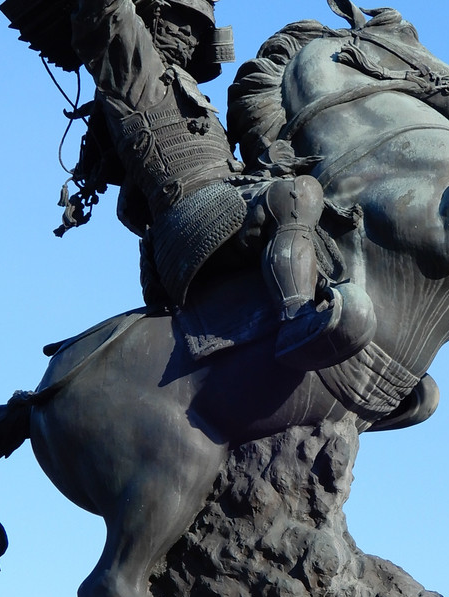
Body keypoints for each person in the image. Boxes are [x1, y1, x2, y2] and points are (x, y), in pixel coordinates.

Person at [67, 0, 371, 368]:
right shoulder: (134, 77)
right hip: (185, 218)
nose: (188, 34)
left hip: (220, 201)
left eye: (196, 29)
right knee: (297, 193)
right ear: (149, 22)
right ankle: (296, 318)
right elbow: (109, 13)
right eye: (178, 23)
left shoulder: (189, 92)